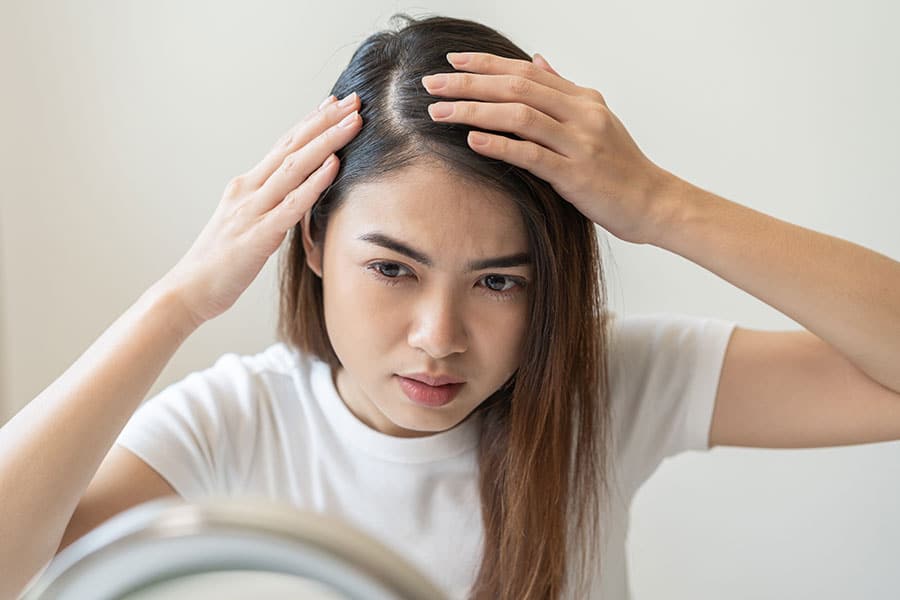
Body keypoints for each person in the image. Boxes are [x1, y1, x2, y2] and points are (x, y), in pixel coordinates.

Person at [3, 12, 900, 600]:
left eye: (498, 281)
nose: (439, 338)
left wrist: (662, 205)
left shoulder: (612, 386)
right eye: (393, 270)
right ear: (312, 242)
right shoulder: (241, 418)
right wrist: (180, 298)